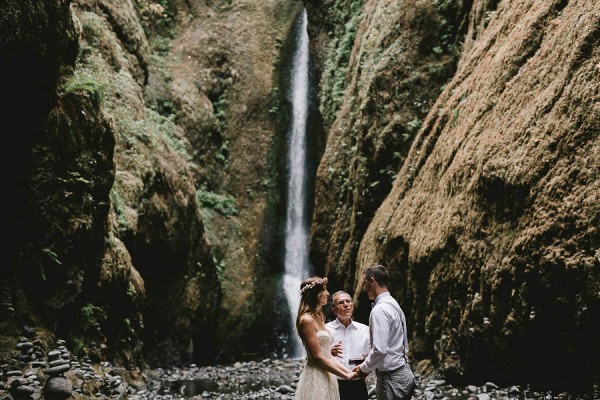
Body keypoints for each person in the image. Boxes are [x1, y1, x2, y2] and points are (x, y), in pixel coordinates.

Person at [352, 264, 415, 400]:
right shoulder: (393, 304)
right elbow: (394, 341)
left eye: (364, 282)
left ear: (372, 281)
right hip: (403, 372)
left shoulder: (379, 310)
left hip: (391, 378)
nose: (364, 287)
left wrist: (363, 368)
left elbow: (380, 350)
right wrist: (370, 355)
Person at [295, 277, 357, 399]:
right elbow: (317, 357)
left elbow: (327, 355)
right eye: (324, 290)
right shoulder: (306, 320)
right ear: (314, 294)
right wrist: (346, 375)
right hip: (316, 376)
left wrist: (349, 372)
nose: (327, 293)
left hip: (328, 375)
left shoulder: (319, 317)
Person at [326, 290, 371, 400]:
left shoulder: (365, 329)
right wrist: (327, 351)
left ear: (352, 305)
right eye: (341, 302)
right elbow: (314, 355)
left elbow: (374, 353)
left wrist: (366, 368)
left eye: (348, 301)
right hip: (333, 383)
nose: (346, 305)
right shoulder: (326, 330)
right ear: (334, 309)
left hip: (358, 383)